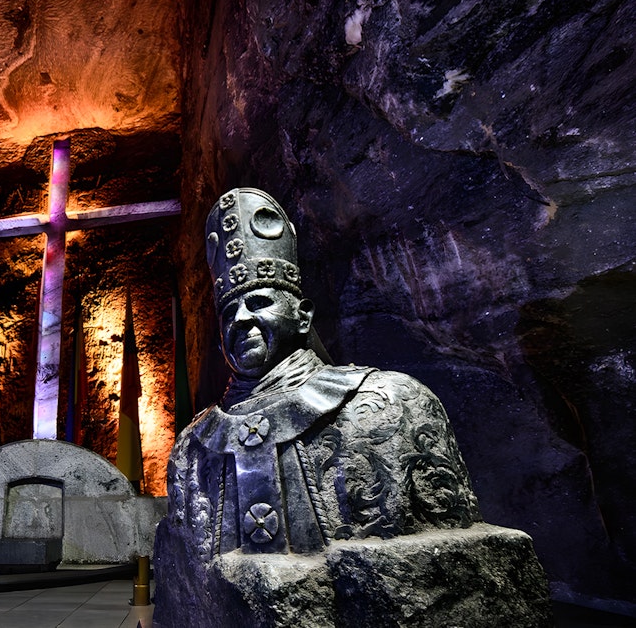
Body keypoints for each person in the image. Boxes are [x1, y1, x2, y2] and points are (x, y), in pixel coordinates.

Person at [160, 188, 480, 560]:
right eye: (228, 314)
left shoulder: (391, 404)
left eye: (259, 302)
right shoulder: (190, 448)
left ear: (302, 316)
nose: (241, 319)